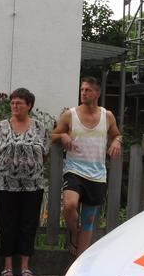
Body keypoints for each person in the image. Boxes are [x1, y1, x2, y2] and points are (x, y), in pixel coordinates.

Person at [51, 76, 122, 256]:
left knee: (89, 218)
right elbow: (53, 135)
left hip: (97, 173)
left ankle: (79, 258)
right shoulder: (70, 115)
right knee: (69, 205)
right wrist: (63, 136)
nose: (83, 93)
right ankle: (76, 232)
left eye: (88, 90)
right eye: (82, 90)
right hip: (74, 169)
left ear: (97, 93)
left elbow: (117, 134)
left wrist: (117, 142)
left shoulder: (107, 115)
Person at [0, 87, 50, 276]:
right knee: (7, 224)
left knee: (28, 224)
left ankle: (25, 266)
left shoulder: (39, 127)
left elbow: (44, 153)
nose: (15, 106)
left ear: (29, 105)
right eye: (12, 102)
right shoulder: (2, 126)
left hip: (33, 185)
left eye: (19, 103)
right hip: (6, 185)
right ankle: (7, 267)